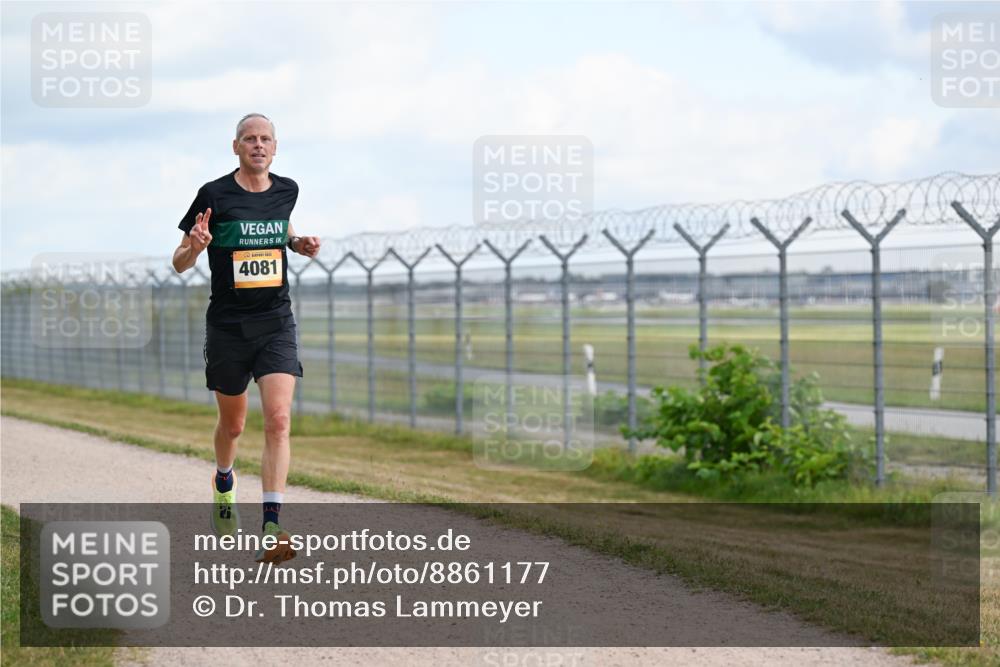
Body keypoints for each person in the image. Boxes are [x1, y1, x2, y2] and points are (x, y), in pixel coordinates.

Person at [172, 113, 320, 563]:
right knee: (233, 425)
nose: (258, 145)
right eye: (250, 139)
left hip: (276, 321)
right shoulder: (213, 194)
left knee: (278, 420)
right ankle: (223, 479)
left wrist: (298, 245)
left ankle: (272, 525)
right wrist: (196, 245)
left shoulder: (287, 190)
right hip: (229, 327)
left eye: (266, 139)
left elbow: (281, 228)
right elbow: (179, 262)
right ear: (235, 146)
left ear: (275, 147)